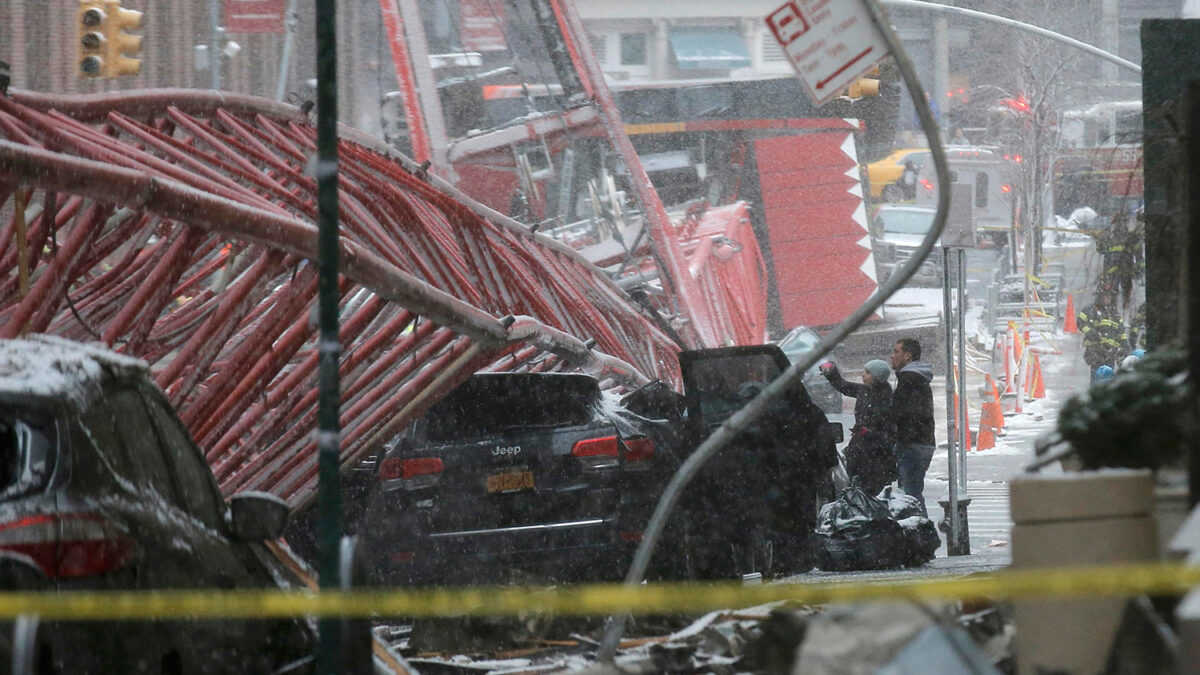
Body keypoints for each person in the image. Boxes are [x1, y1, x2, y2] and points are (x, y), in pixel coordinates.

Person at [819, 359, 896, 496]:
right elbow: (842, 385)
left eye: (867, 373)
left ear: (877, 378)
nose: (863, 375)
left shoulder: (886, 399)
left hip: (876, 457)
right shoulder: (864, 391)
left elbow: (888, 432)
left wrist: (868, 432)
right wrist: (831, 371)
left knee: (871, 492)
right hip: (858, 448)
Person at [889, 338, 935, 515]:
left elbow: (905, 413)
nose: (892, 356)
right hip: (921, 442)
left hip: (913, 445)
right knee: (912, 493)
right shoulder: (915, 378)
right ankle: (917, 531)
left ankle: (920, 532)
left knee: (910, 495)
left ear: (907, 355)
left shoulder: (910, 380)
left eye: (896, 352)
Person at [1078, 290, 1127, 378]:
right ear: (1100, 297)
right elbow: (1080, 322)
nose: (1109, 298)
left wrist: (1125, 344)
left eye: (1110, 296)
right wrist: (1090, 332)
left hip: (1110, 352)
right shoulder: (1090, 310)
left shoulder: (1114, 313)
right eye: (1106, 296)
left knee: (1108, 378)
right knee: (1096, 376)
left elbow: (1121, 330)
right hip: (1096, 350)